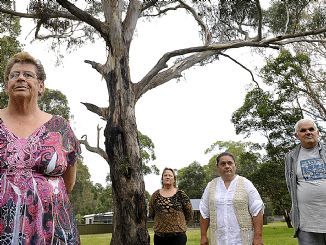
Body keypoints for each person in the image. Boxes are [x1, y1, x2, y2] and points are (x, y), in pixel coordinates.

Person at [0, 52, 81, 244]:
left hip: (52, 231)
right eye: (14, 75)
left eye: (28, 75)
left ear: (41, 85)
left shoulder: (60, 127)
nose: (20, 78)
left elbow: (68, 181)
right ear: (6, 86)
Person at [199, 152, 264, 245]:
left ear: (235, 166)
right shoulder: (211, 186)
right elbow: (204, 212)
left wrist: (258, 237)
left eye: (230, 163)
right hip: (218, 240)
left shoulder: (246, 183)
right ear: (217, 167)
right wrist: (203, 236)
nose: (227, 166)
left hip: (242, 240)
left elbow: (257, 210)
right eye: (223, 164)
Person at [285, 118, 326, 244]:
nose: (308, 132)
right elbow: (290, 184)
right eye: (303, 130)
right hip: (307, 223)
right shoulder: (290, 157)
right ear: (297, 135)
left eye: (311, 129)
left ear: (317, 132)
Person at [148, 167, 193, 245]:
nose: (167, 177)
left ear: (174, 179)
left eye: (170, 175)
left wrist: (180, 225)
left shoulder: (181, 194)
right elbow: (151, 213)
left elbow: (189, 213)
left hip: (178, 237)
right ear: (162, 178)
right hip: (159, 236)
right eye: (165, 175)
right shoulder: (155, 195)